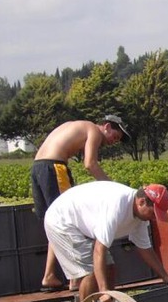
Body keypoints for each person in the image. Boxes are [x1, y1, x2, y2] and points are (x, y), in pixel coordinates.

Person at [43, 181, 168, 302]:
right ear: (142, 201)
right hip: (62, 220)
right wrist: (104, 290)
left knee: (110, 268)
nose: (154, 218)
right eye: (153, 213)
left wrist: (165, 277)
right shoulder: (117, 207)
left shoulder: (141, 217)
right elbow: (99, 251)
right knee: (90, 273)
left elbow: (145, 249)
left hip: (83, 224)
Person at [31, 115, 133, 291]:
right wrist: (113, 188)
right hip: (54, 167)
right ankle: (70, 277)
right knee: (65, 219)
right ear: (106, 126)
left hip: (37, 167)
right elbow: (90, 164)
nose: (113, 142)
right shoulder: (93, 130)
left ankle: (51, 275)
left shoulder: (78, 126)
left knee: (54, 222)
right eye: (114, 137)